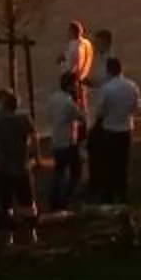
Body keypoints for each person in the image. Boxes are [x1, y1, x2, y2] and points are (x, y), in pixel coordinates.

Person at [0, 89, 38, 235]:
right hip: (22, 167)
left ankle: (10, 233)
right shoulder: (24, 119)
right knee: (28, 203)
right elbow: (34, 137)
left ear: (3, 106)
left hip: (4, 170)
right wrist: (35, 156)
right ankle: (31, 231)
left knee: (7, 204)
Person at [88, 53, 141, 203]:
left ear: (109, 71)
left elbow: (100, 110)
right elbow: (136, 108)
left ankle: (108, 195)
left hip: (110, 129)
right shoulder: (132, 86)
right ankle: (122, 193)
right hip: (126, 129)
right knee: (122, 163)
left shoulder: (106, 89)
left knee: (108, 164)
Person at [42, 70, 87, 213]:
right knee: (75, 169)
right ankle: (65, 197)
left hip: (56, 138)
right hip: (68, 141)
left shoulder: (53, 98)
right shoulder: (68, 102)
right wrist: (78, 101)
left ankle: (54, 198)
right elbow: (81, 116)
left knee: (59, 170)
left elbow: (49, 115)